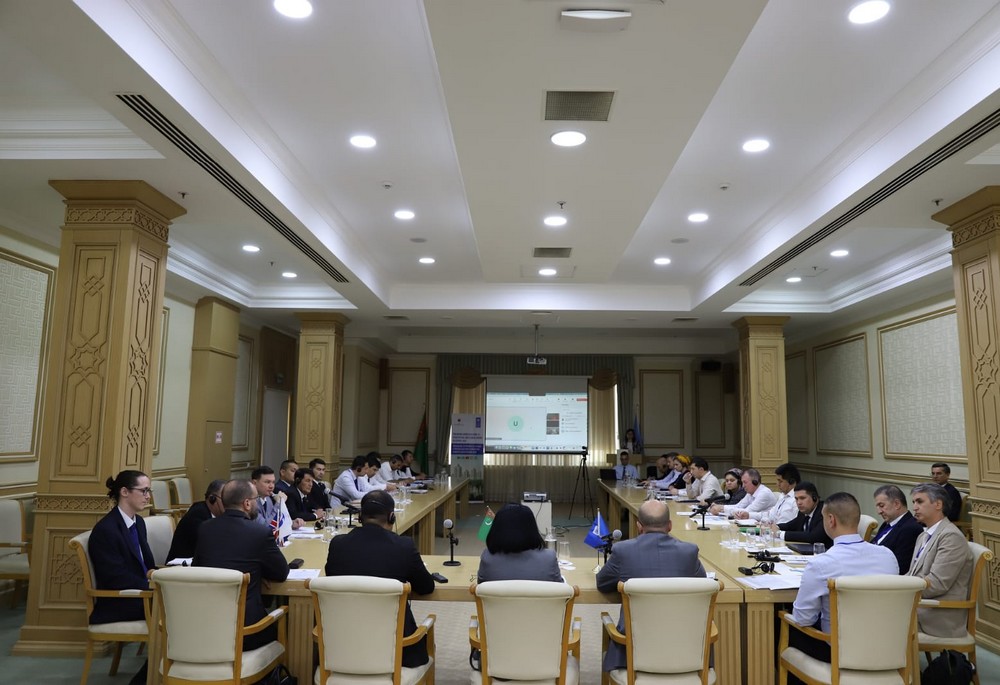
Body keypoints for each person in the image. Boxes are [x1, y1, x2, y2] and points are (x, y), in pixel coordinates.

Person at [784, 492, 897, 681]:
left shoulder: (820, 564)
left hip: (837, 650)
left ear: (831, 520)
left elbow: (803, 619)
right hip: (887, 648)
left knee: (778, 624)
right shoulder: (888, 556)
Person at [325, 490, 435, 667]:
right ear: (392, 517)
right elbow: (426, 587)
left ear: (359, 517)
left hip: (343, 649)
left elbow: (331, 578)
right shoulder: (404, 546)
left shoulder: (338, 544)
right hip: (396, 650)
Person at [597, 499, 705, 671]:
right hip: (685, 650)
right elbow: (703, 588)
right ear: (670, 525)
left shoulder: (623, 551)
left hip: (633, 652)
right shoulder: (689, 552)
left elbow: (602, 583)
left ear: (639, 526)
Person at [194, 480, 290, 651]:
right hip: (247, 630)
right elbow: (281, 572)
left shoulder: (205, 528)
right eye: (255, 499)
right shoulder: (259, 532)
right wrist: (259, 574)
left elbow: (198, 568)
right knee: (287, 631)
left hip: (206, 626)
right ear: (247, 503)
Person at [88, 470, 156, 685]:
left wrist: (157, 577)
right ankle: (148, 677)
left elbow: (146, 565)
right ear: (124, 492)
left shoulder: (139, 522)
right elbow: (114, 577)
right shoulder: (106, 530)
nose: (148, 496)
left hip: (142, 593)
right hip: (119, 601)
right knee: (176, 612)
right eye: (144, 491)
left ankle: (161, 672)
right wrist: (151, 585)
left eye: (149, 491)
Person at [907, 483, 973, 638]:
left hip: (937, 615)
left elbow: (937, 584)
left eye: (919, 501)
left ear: (938, 504)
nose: (914, 507)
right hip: (919, 606)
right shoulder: (923, 535)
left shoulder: (951, 537)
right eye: (914, 502)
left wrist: (900, 592)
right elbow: (912, 575)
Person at [477, 503, 562, 582]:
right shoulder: (549, 558)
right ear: (532, 529)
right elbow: (560, 589)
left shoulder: (488, 558)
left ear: (497, 530)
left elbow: (481, 588)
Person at [166, 479, 226, 561]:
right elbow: (209, 546)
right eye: (224, 499)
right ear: (212, 499)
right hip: (179, 565)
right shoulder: (197, 515)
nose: (228, 503)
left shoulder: (219, 515)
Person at [872, 484, 923, 574]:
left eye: (881, 505)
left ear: (897, 504)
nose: (879, 511)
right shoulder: (888, 523)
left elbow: (900, 567)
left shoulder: (910, 529)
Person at [776, 482, 831, 547]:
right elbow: (791, 525)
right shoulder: (803, 512)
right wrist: (776, 527)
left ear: (814, 498)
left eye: (802, 498)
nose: (799, 502)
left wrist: (780, 534)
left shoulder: (824, 511)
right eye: (796, 499)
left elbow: (814, 537)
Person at [251, 464, 301, 536]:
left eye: (273, 482)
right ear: (254, 483)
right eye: (267, 482)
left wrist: (291, 523)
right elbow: (267, 527)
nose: (271, 486)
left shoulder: (268, 499)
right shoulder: (251, 502)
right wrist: (279, 503)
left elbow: (274, 520)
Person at [710, 468, 776, 519]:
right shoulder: (750, 493)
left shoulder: (764, 494)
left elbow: (746, 512)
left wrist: (722, 508)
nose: (743, 486)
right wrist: (721, 507)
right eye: (742, 482)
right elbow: (738, 506)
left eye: (745, 482)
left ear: (755, 482)